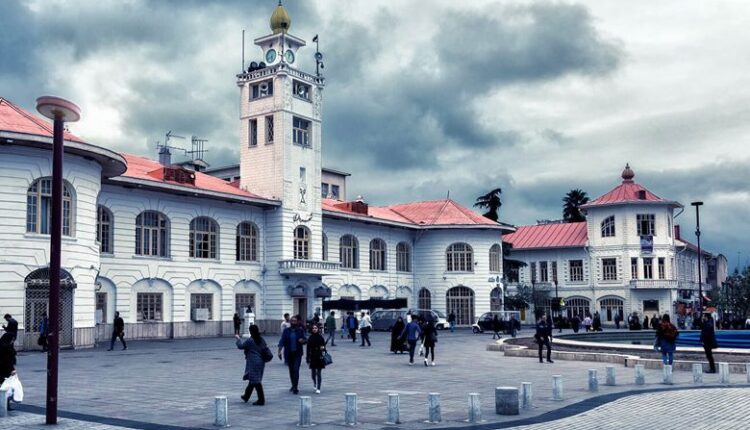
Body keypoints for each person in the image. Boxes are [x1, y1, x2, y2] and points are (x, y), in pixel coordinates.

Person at [236, 325, 267, 405]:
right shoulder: (261, 339)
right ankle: (246, 396)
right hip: (261, 362)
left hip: (253, 362)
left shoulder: (250, 340)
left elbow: (241, 346)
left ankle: (261, 400)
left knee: (256, 381)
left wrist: (238, 339)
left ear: (250, 331)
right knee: (253, 379)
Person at [278, 315, 307, 394]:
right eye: (292, 321)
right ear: (290, 322)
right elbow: (282, 341)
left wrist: (303, 341)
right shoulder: (286, 331)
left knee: (296, 369)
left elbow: (305, 339)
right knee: (291, 370)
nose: (293, 322)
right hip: (289, 353)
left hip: (297, 353)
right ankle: (293, 384)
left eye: (295, 321)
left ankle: (295, 387)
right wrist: (279, 351)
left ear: (297, 322)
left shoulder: (300, 330)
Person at [306, 324, 327, 394]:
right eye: (313, 328)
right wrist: (307, 357)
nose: (314, 329)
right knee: (313, 373)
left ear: (318, 329)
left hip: (319, 356)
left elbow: (323, 347)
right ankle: (315, 383)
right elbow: (308, 349)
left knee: (319, 373)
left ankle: (318, 387)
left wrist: (323, 353)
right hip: (312, 356)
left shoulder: (320, 337)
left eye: (316, 328)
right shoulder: (310, 338)